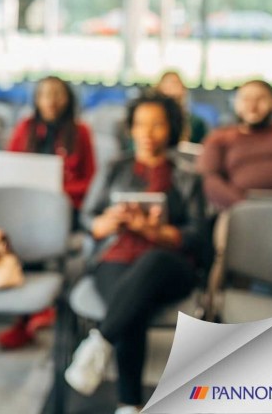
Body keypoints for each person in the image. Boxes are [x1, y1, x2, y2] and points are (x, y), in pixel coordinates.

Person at [64, 92, 212, 414]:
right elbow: (89, 219)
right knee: (132, 301)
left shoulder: (187, 176)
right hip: (116, 255)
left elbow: (198, 237)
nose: (147, 133)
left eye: (157, 125)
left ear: (171, 129)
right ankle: (129, 406)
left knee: (150, 264)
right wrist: (105, 223)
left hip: (170, 263)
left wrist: (155, 232)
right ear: (130, 129)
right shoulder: (115, 167)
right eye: (140, 124)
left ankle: (101, 342)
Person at [0, 76, 96, 350]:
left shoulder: (81, 132)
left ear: (68, 99)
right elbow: (10, 169)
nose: (51, 101)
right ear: (36, 100)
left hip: (65, 209)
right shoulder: (25, 128)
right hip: (26, 208)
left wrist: (58, 190)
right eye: (45, 94)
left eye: (58, 94)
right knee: (18, 233)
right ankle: (25, 315)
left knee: (44, 232)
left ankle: (43, 309)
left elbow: (91, 181)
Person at [199, 79, 272, 210]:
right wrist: (243, 207)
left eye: (260, 99)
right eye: (246, 99)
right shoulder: (220, 138)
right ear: (236, 104)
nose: (252, 106)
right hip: (243, 210)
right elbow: (210, 179)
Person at [155, 70, 208, 143]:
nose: (170, 90)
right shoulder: (149, 121)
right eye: (167, 86)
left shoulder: (196, 123)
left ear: (183, 90)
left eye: (175, 84)